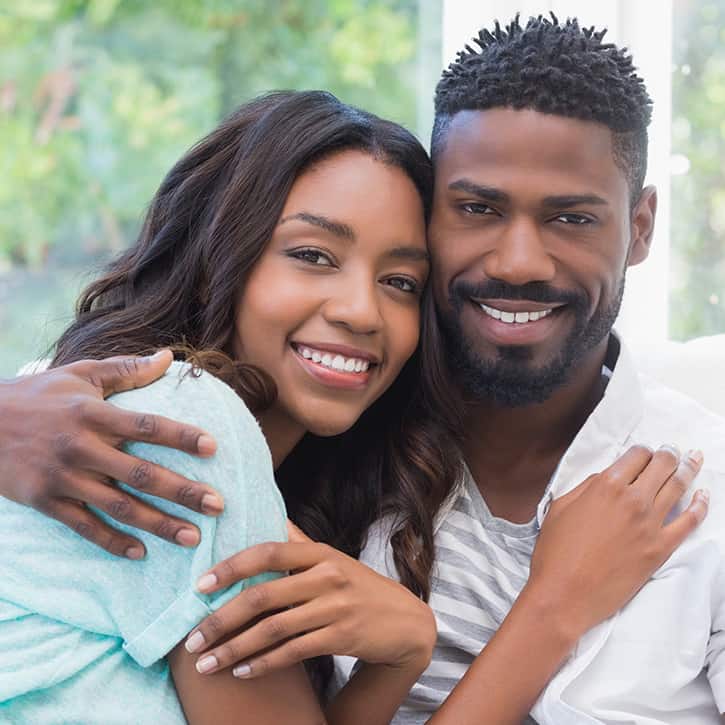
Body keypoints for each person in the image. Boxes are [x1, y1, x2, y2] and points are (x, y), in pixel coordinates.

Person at [0, 16, 714, 725]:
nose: (360, 311)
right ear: (220, 251)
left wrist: (398, 657)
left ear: (640, 226)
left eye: (399, 280)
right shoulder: (177, 431)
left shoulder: (342, 456)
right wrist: (551, 607)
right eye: (312, 254)